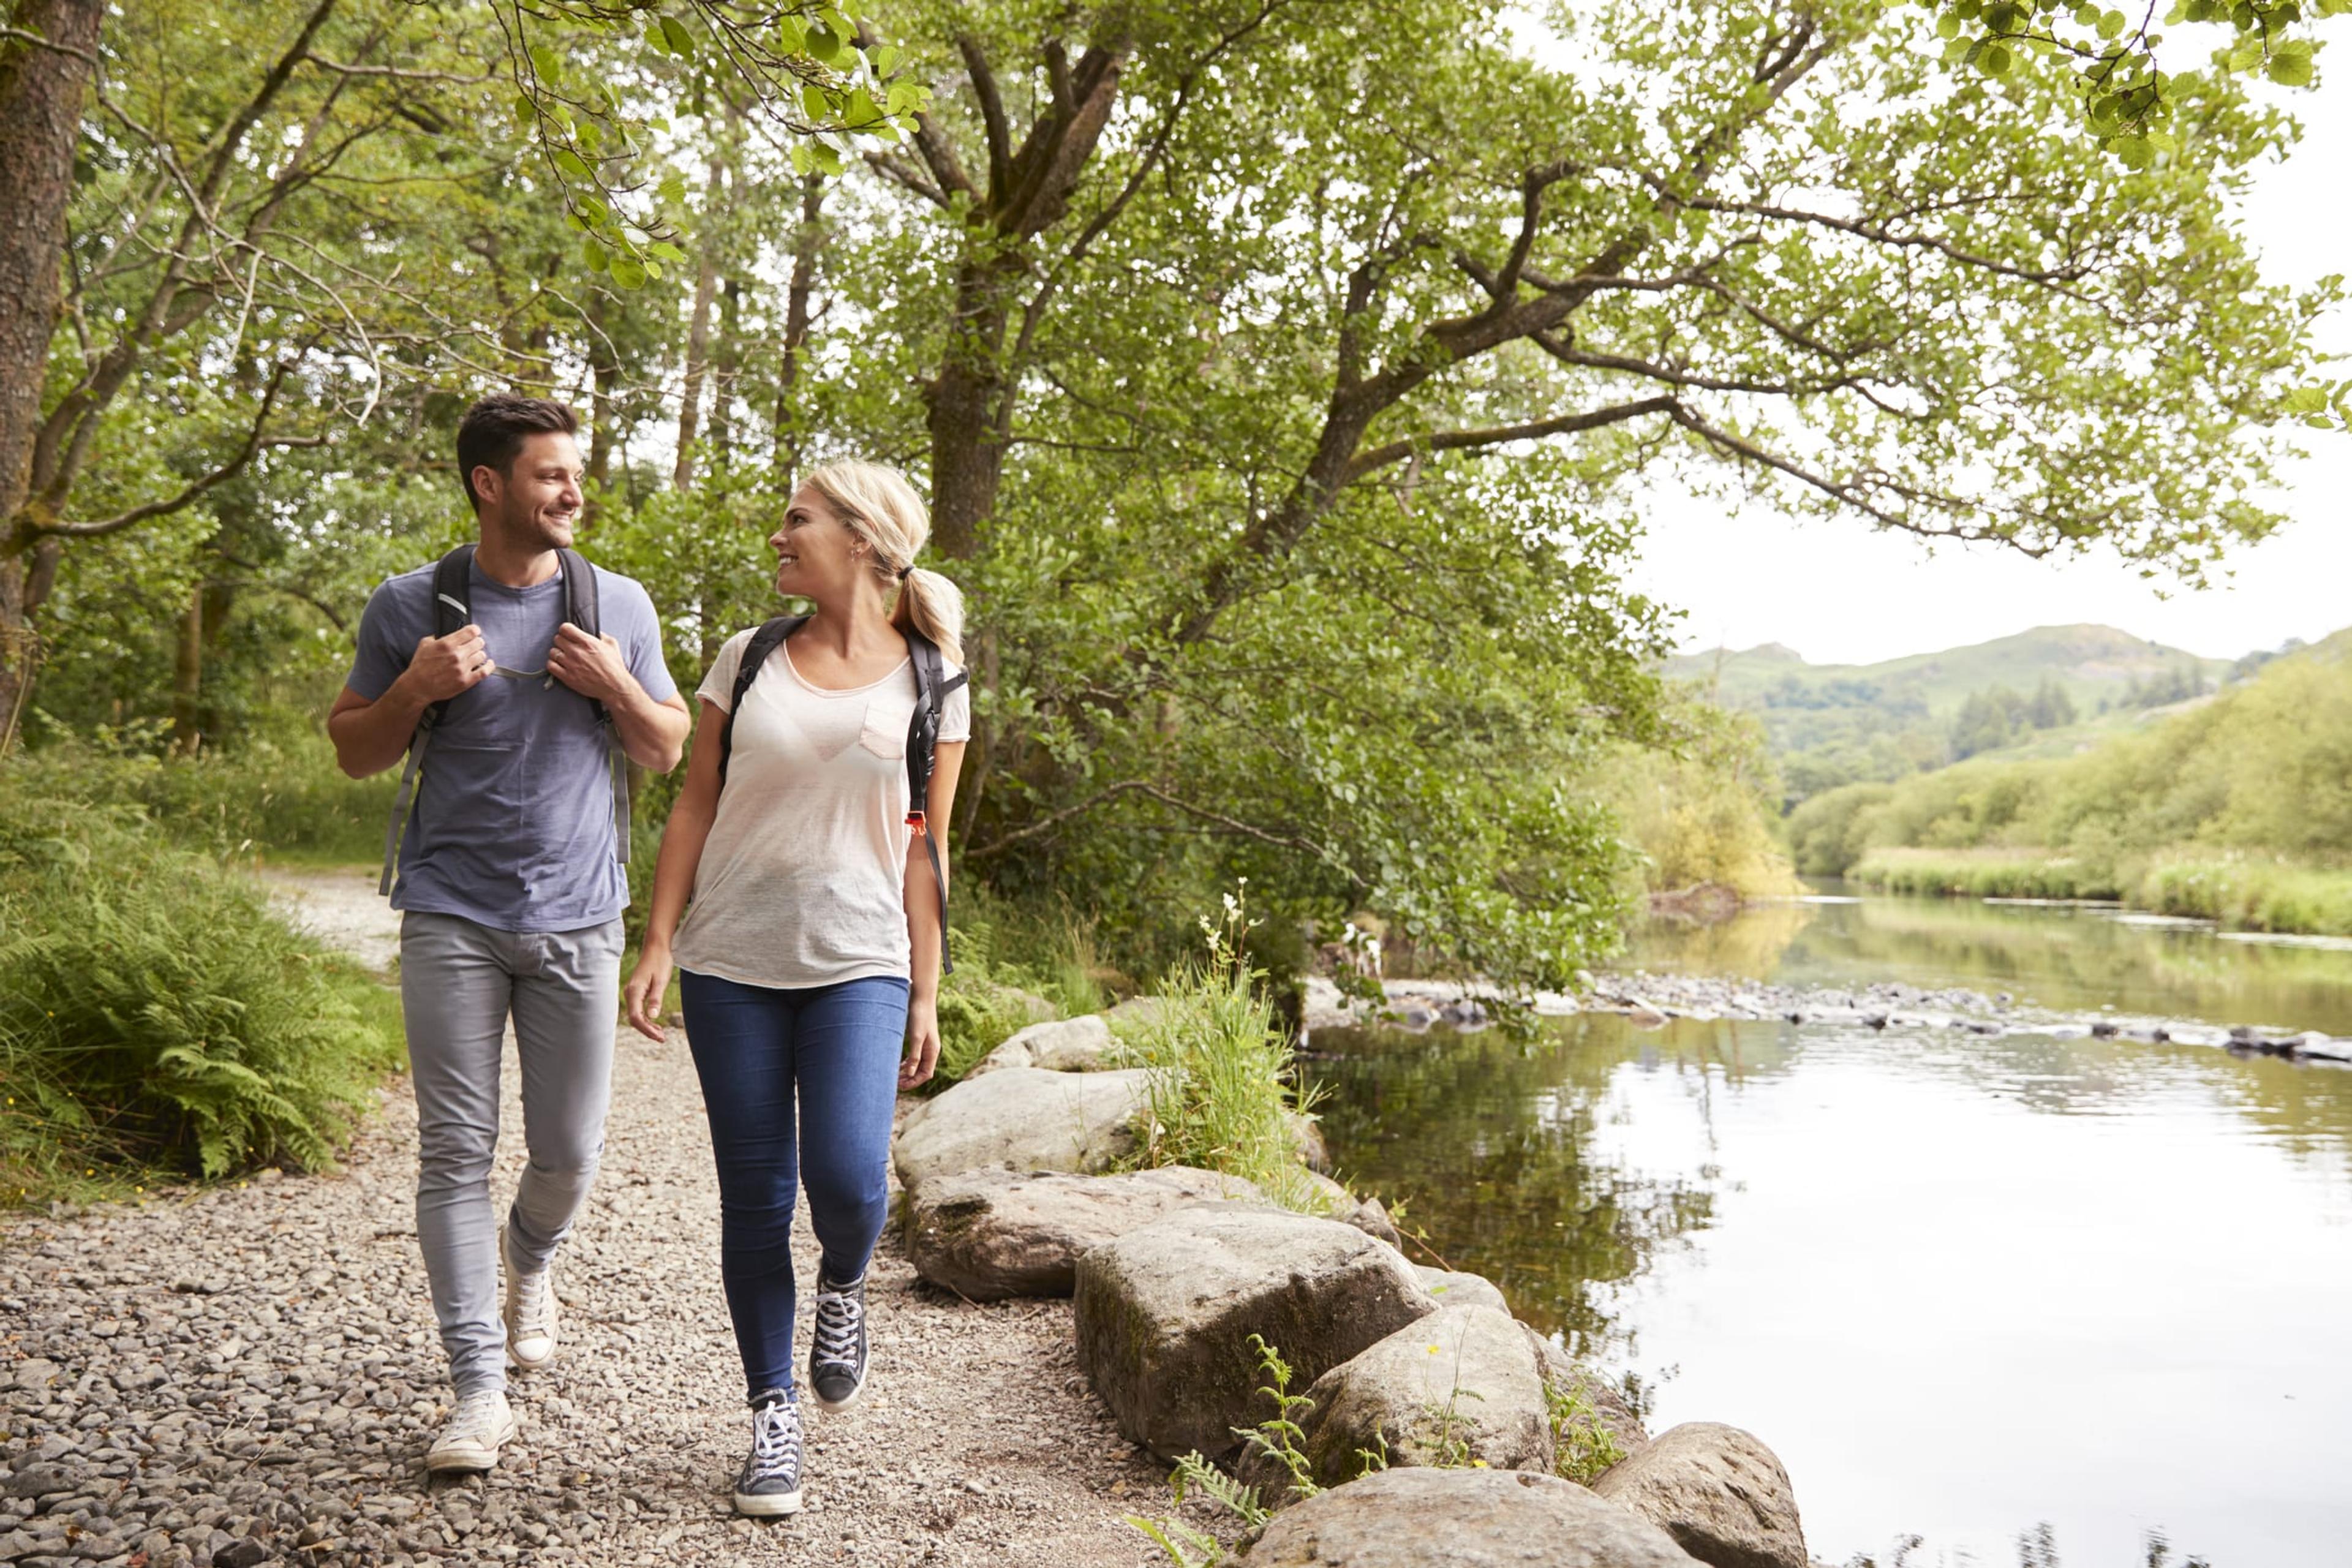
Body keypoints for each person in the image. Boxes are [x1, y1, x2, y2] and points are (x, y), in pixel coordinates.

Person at [328, 394, 690, 1473]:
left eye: (575, 473)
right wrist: (414, 687)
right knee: (453, 1151)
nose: (574, 492)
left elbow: (668, 749)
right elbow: (353, 750)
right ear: (490, 485)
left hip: (581, 918)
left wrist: (619, 683)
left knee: (569, 1154)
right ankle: (476, 1390)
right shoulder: (411, 605)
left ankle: (531, 1254)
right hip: (450, 914)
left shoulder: (616, 601)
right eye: (550, 475)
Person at [620, 459, 968, 1518]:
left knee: (854, 1179)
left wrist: (924, 989)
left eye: (797, 520)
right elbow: (694, 803)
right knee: (758, 1198)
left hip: (862, 959)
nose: (779, 536)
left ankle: (845, 1287)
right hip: (733, 962)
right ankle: (771, 1416)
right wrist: (660, 939)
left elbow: (929, 849)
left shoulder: (935, 677)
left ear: (863, 542)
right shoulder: (749, 655)